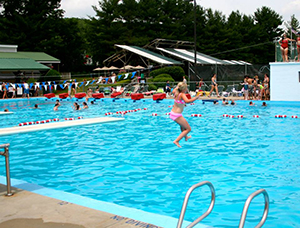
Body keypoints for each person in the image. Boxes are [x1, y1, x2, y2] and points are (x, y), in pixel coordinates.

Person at [170, 82, 201, 148]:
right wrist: (196, 97)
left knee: (182, 126)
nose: (187, 88)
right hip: (177, 115)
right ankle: (176, 141)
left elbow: (174, 90)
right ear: (183, 89)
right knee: (188, 129)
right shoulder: (182, 94)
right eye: (186, 87)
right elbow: (187, 101)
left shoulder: (176, 92)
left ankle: (186, 136)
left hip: (173, 113)